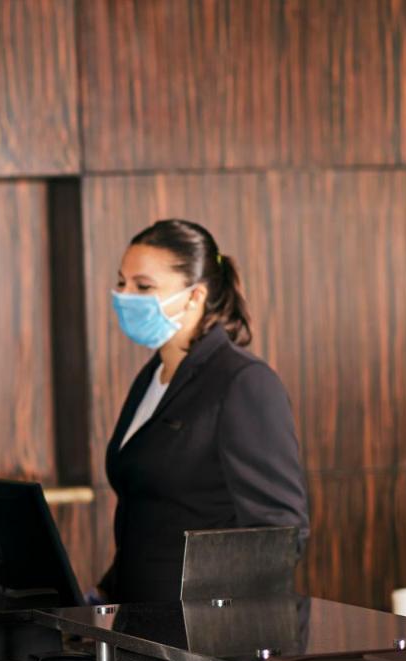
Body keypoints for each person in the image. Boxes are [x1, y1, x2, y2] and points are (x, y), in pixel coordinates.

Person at [97, 219, 309, 603]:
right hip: (138, 617)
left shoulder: (243, 382)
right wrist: (104, 593)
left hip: (202, 625)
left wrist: (207, 616)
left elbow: (279, 534)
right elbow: (151, 514)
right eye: (122, 282)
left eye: (143, 287)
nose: (124, 296)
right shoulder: (152, 377)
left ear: (195, 296)